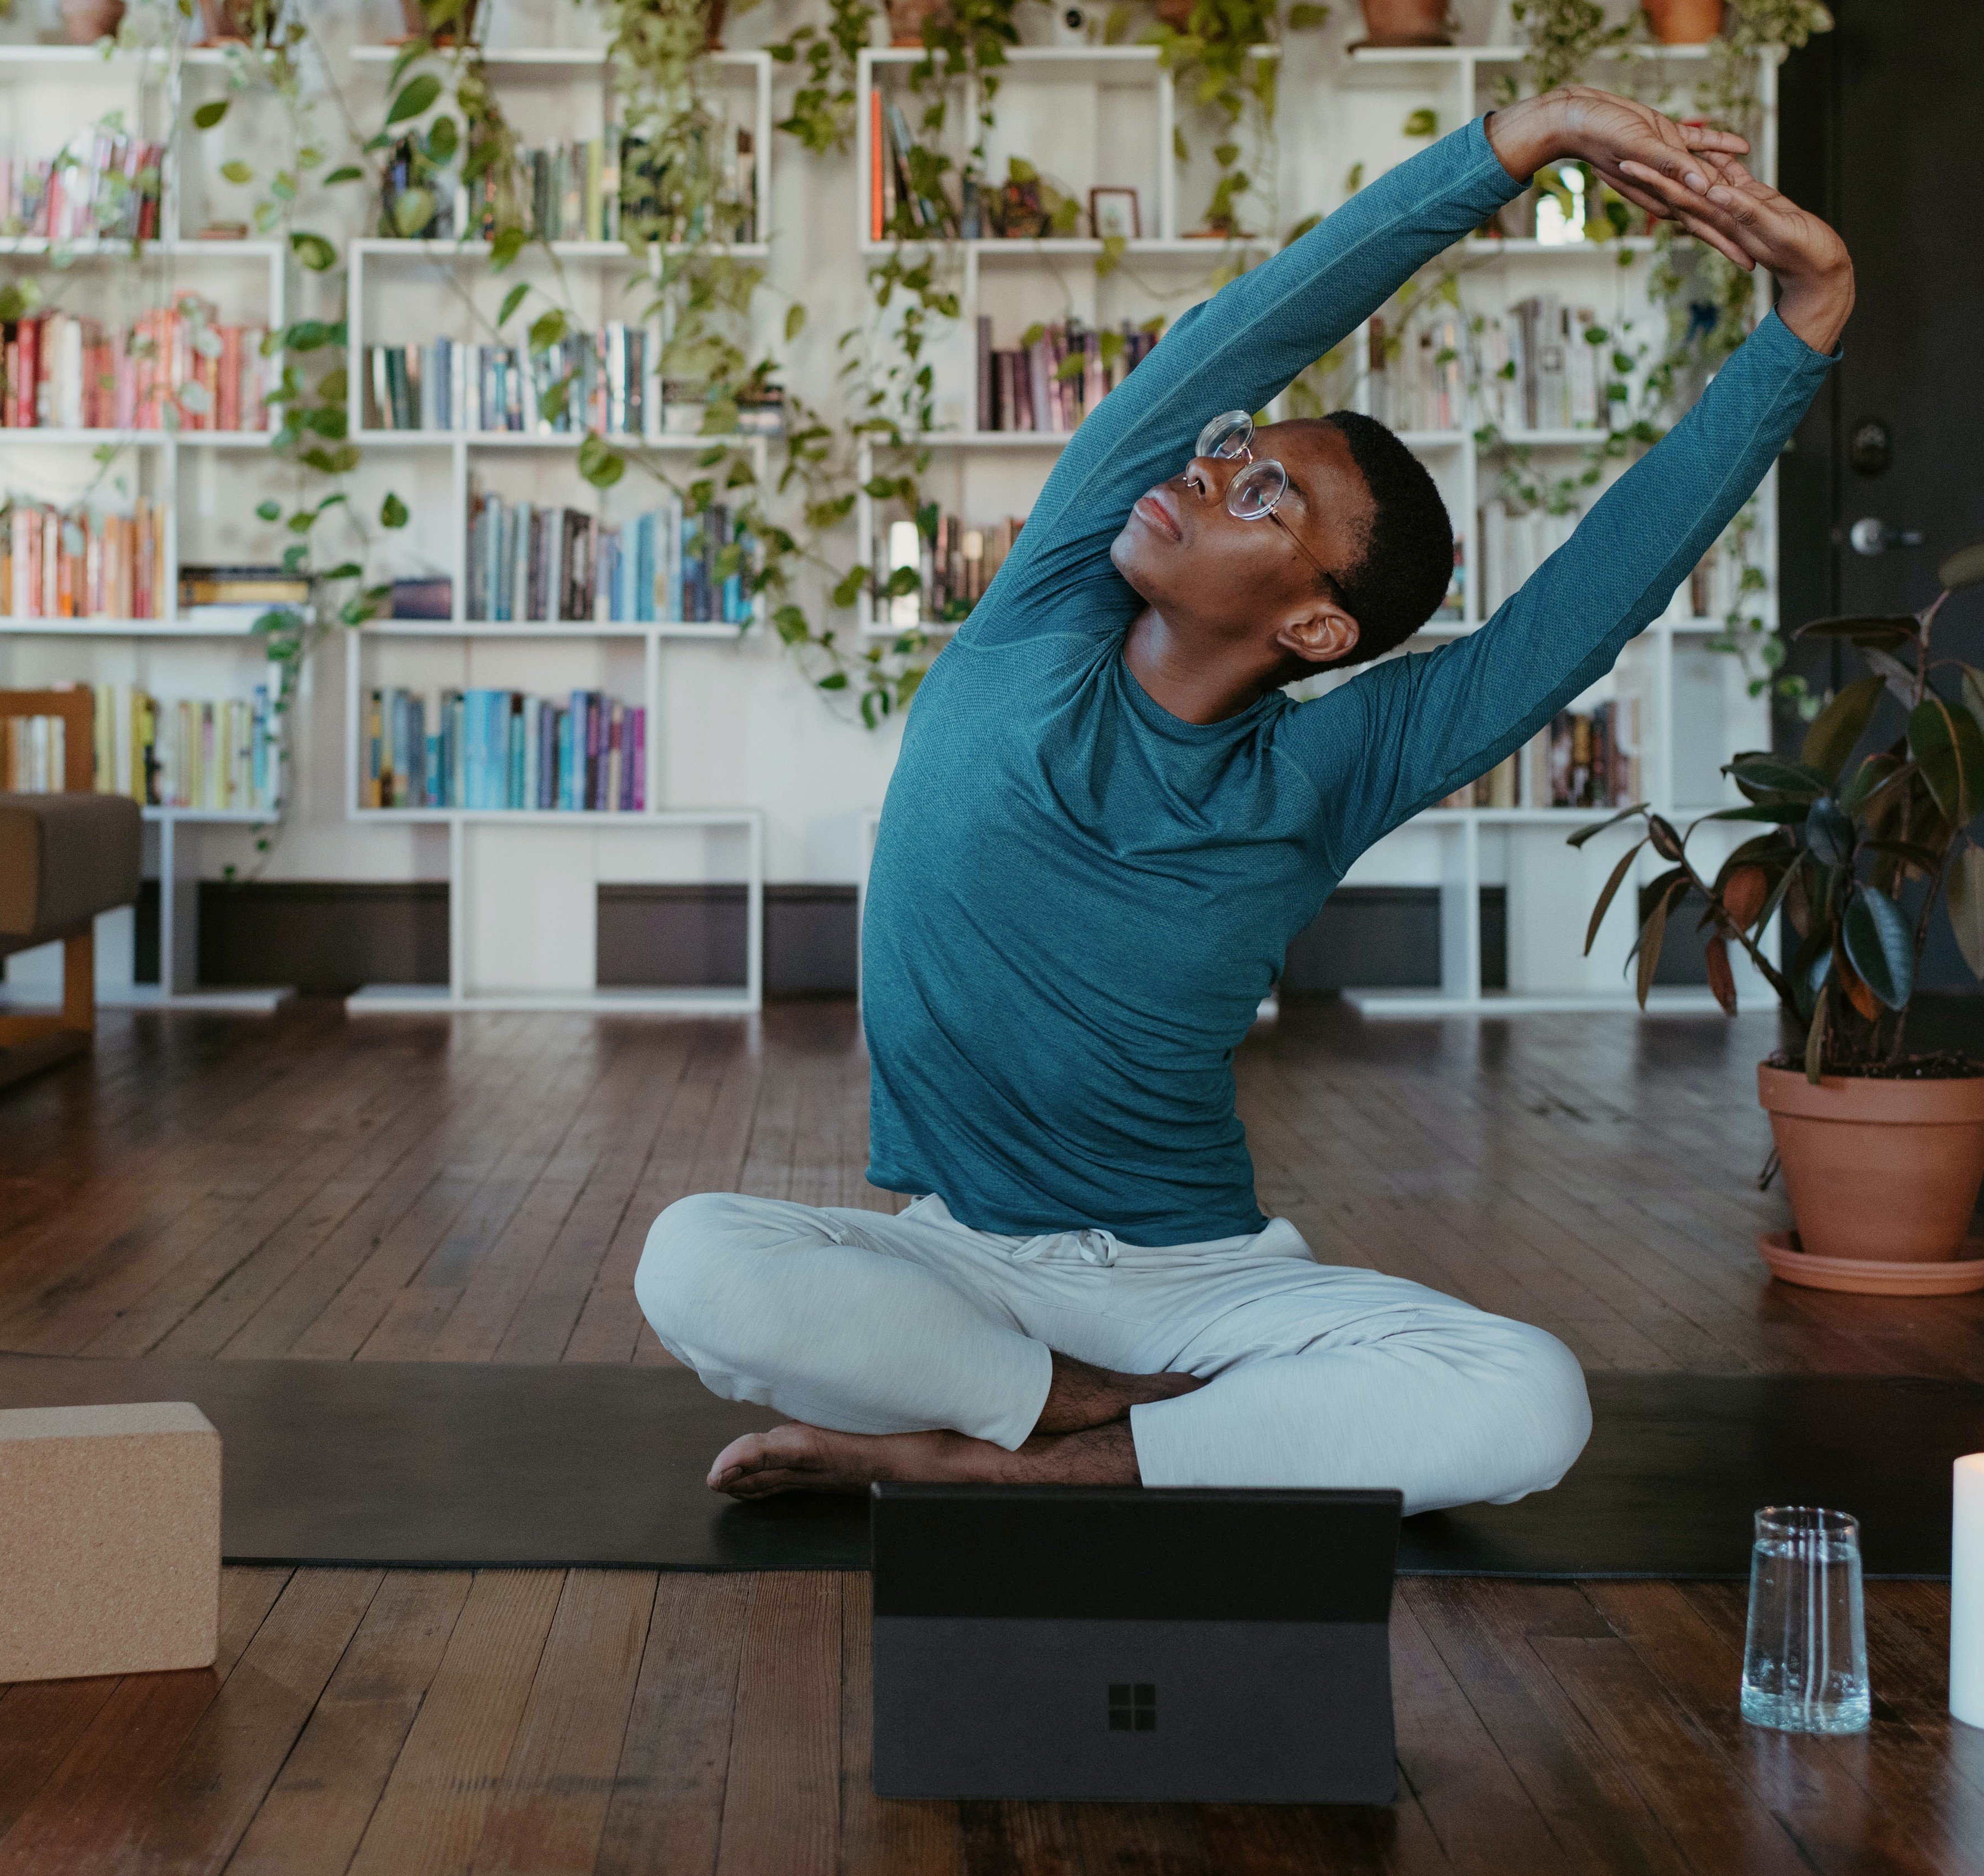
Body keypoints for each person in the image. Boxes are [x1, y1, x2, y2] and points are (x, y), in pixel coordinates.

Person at [633, 87, 1851, 1513]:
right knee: (694, 1260)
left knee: (1530, 1400)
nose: (1210, 471)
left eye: (1264, 494)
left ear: (1322, 630)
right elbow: (1256, 324)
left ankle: (1014, 1461)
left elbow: (1578, 613)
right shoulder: (1039, 616)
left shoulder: (1326, 770)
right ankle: (1097, 1422)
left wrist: (1808, 318)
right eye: (1234, 449)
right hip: (954, 1259)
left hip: (1192, 1286)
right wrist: (1525, 139)